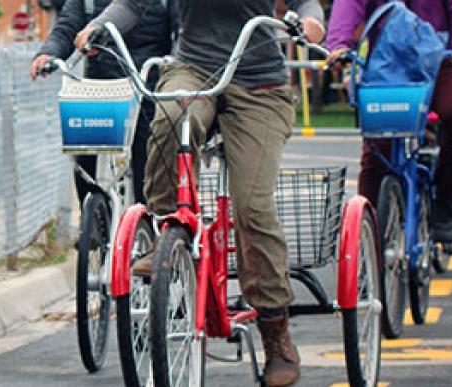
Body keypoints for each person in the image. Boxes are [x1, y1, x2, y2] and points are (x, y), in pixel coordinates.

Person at [75, 1, 325, 386]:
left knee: (253, 208)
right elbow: (131, 3)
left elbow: (304, 2)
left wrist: (310, 22)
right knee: (170, 119)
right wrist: (101, 26)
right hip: (193, 71)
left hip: (259, 82)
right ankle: (164, 231)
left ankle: (277, 337)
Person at [326, 0, 452, 254]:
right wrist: (339, 44)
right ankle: (366, 238)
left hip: (442, 58)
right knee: (379, 140)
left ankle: (447, 204)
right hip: (388, 60)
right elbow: (350, 4)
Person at [30, 0, 178, 206]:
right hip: (101, 88)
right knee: (84, 157)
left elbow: (180, 32)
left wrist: (176, 68)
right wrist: (49, 53)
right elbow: (67, 27)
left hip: (148, 88)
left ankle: (150, 226)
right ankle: (93, 223)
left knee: (148, 167)